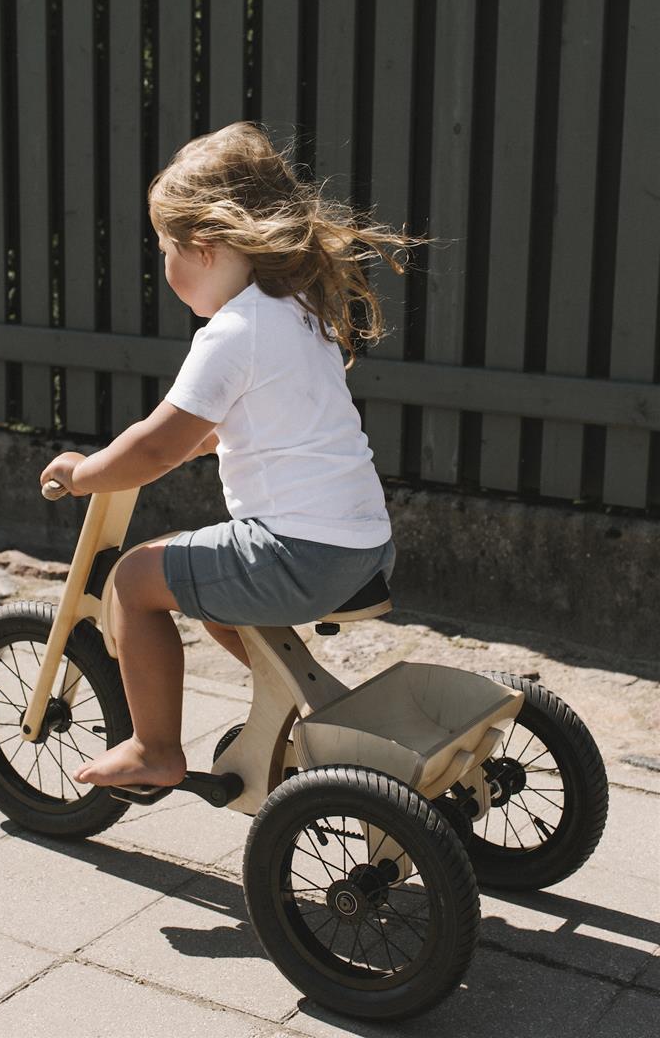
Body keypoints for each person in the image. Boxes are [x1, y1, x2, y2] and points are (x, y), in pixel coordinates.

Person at [39, 120, 416, 791]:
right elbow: (255, 423)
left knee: (133, 580)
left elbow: (155, 445)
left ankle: (154, 747)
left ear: (205, 248)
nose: (165, 266)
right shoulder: (301, 311)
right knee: (206, 581)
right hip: (363, 544)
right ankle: (309, 701)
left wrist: (83, 474)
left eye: (165, 249)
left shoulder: (231, 333)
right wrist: (200, 443)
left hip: (298, 554)